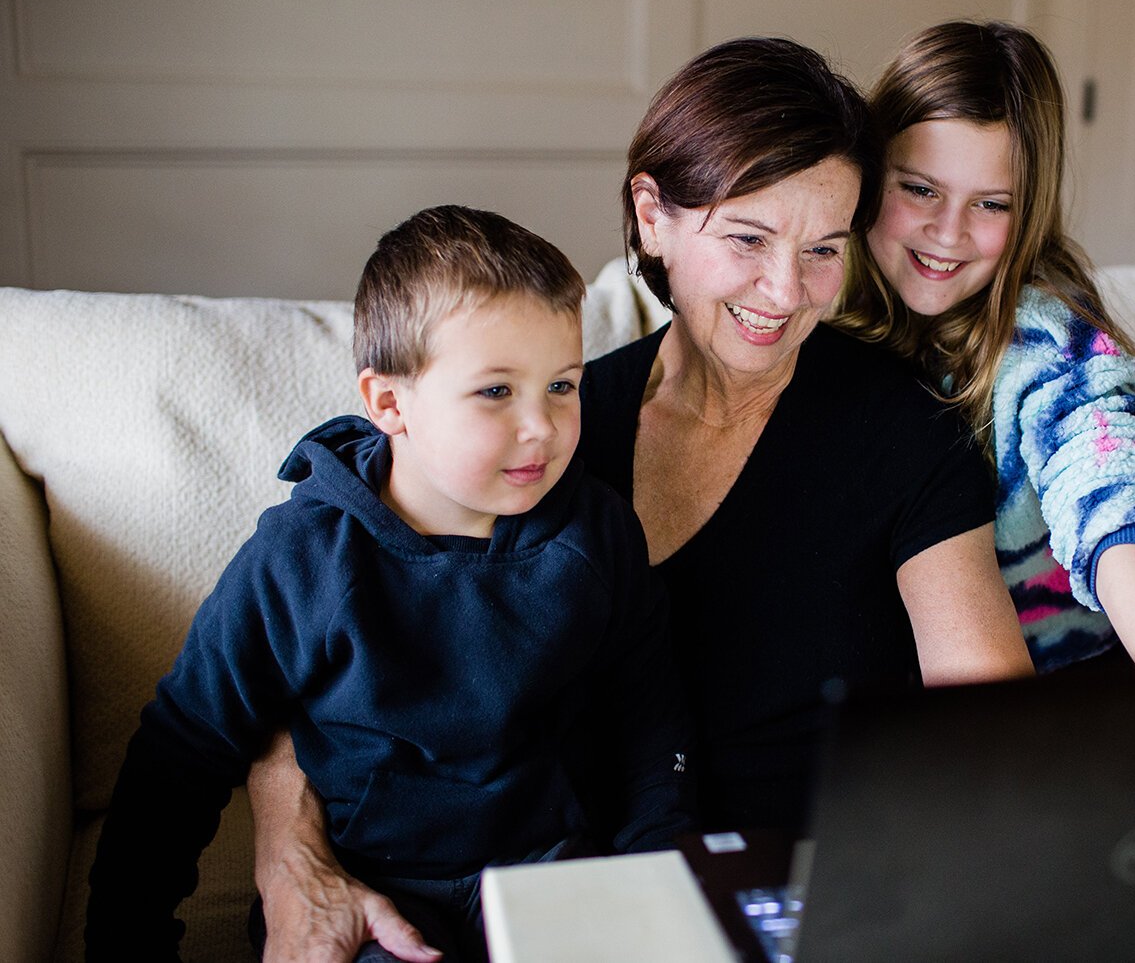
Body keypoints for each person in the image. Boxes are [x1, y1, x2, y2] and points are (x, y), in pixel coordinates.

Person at [244, 38, 1034, 963]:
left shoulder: (901, 428)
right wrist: (288, 848)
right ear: (652, 214)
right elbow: (323, 629)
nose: (786, 292)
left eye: (824, 248)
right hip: (557, 890)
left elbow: (987, 724)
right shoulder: (546, 423)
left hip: (795, 894)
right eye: (746, 237)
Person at [86, 206, 694, 963]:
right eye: (496, 392)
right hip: (378, 896)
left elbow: (650, 724)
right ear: (388, 403)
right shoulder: (303, 556)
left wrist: (654, 887)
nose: (541, 426)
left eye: (563, 385)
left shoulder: (595, 534)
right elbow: (183, 747)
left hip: (550, 877)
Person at [834, 20, 1135, 672]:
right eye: (920, 188)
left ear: (1031, 210)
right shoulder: (818, 294)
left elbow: (1109, 487)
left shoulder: (1046, 344)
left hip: (1052, 703)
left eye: (990, 204)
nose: (947, 232)